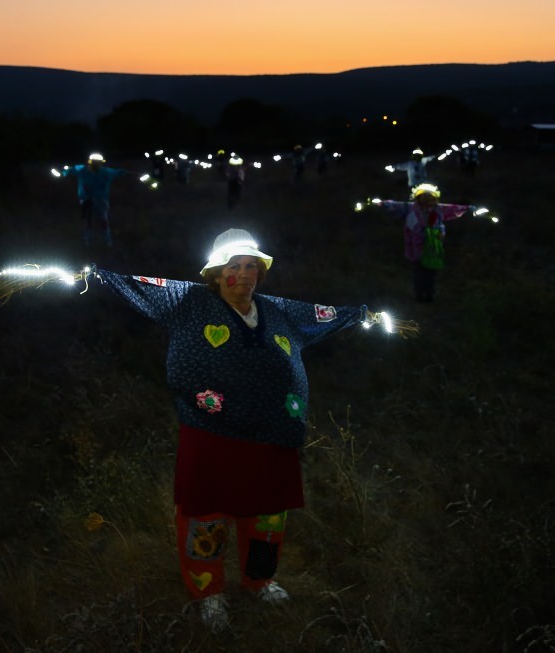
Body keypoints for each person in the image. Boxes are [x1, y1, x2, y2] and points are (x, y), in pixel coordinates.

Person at [91, 228, 376, 633]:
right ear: (217, 273)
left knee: (267, 514)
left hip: (272, 434)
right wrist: (97, 276)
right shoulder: (188, 302)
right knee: (205, 515)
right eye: (235, 266)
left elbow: (320, 313)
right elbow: (141, 286)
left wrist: (362, 316)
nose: (245, 274)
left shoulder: (277, 311)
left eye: (252, 266)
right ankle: (208, 593)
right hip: (210, 432)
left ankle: (259, 580)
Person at [366, 183, 474, 302]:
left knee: (430, 274)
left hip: (433, 248)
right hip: (415, 249)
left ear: (434, 197)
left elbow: (453, 209)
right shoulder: (411, 208)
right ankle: (419, 296)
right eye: (424, 196)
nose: (427, 199)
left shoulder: (439, 209)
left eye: (430, 196)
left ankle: (429, 296)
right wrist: (381, 203)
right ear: (418, 197)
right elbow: (395, 205)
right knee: (419, 273)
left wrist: (468, 208)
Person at [60, 152, 127, 247]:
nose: (96, 164)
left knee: (102, 220)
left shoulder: (106, 171)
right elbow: (69, 170)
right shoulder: (82, 169)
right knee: (90, 220)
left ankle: (105, 240)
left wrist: (122, 172)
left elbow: (119, 173)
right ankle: (90, 240)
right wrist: (64, 172)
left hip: (100, 200)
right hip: (87, 199)